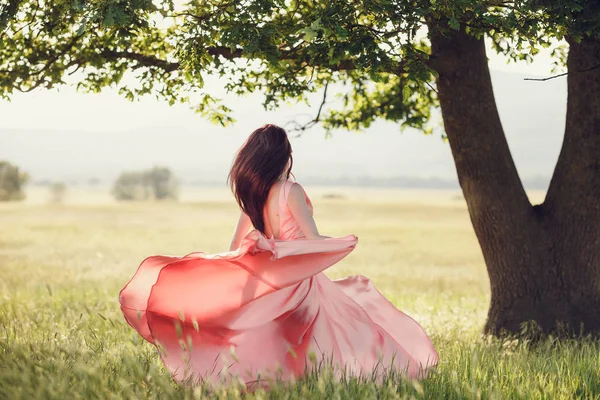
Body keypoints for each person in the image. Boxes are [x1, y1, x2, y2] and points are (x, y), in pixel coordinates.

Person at [119, 124, 438, 388]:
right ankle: (367, 376)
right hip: (298, 279)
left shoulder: (254, 197)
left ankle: (272, 381)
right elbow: (311, 239)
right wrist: (340, 242)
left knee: (275, 334)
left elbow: (235, 244)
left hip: (271, 278)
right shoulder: (291, 191)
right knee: (339, 327)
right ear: (282, 157)